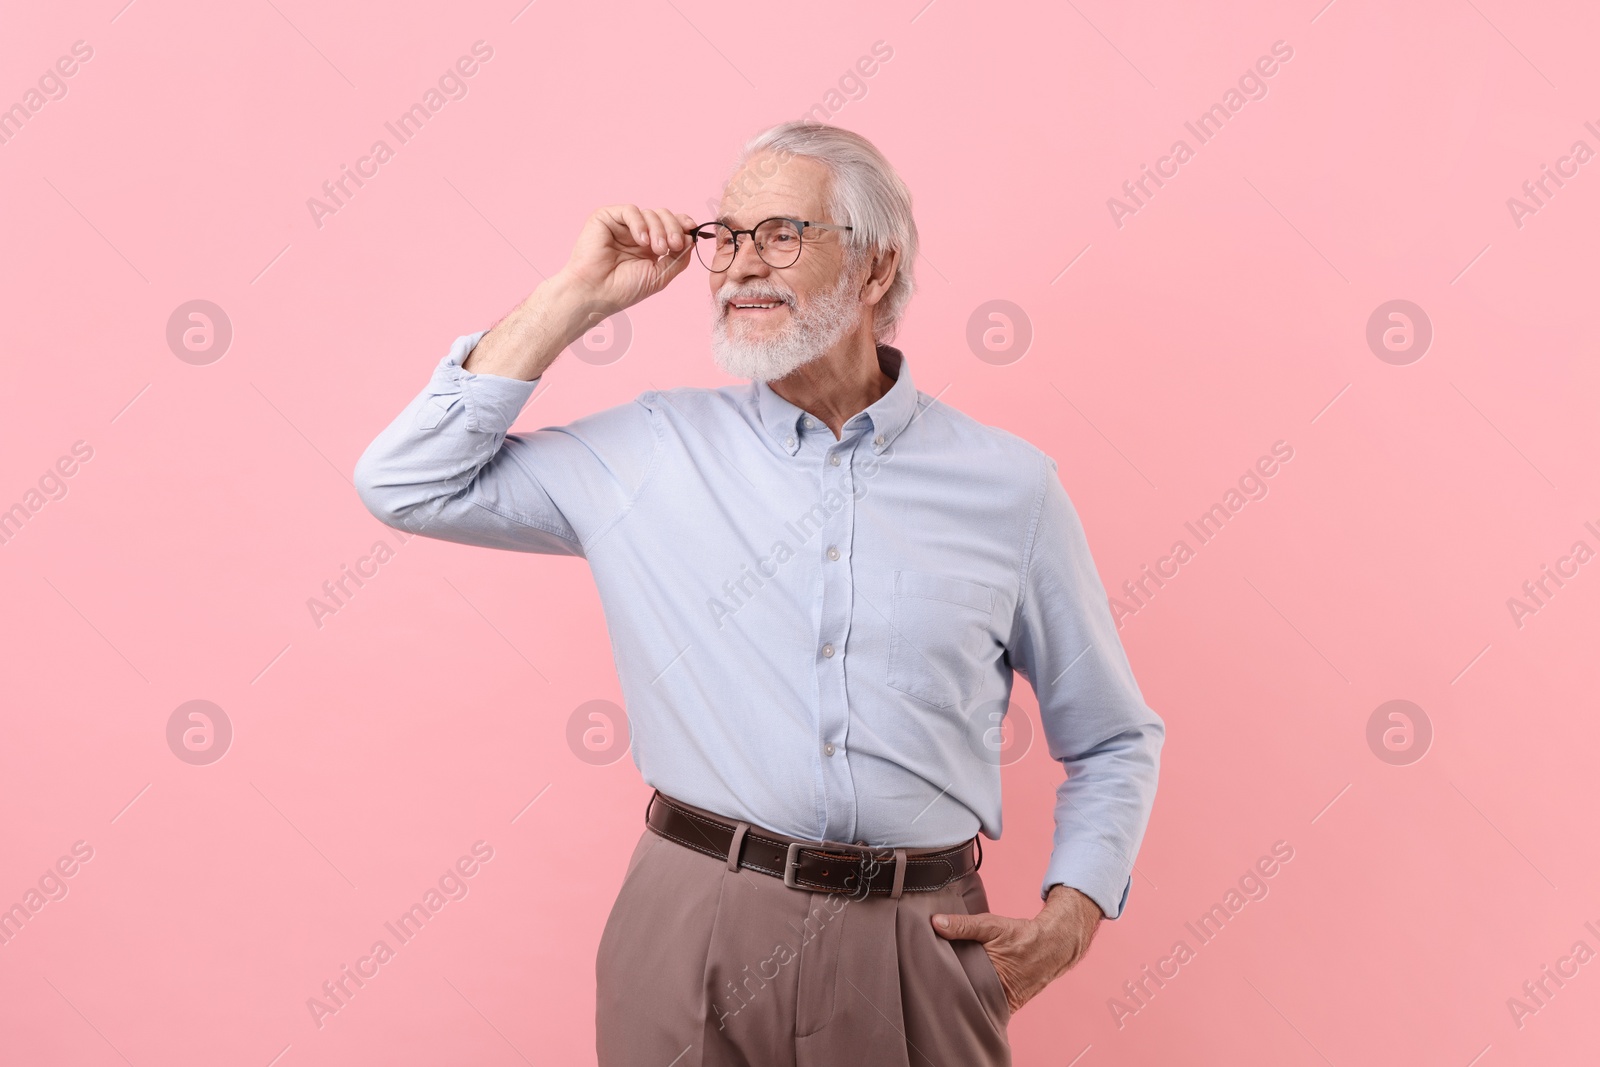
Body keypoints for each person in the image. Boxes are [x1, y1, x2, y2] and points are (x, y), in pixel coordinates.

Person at [354, 120, 1164, 1066]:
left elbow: (1112, 735)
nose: (740, 265)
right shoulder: (649, 449)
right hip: (690, 920)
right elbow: (406, 481)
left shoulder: (1010, 488)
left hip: (915, 946)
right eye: (725, 237)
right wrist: (572, 299)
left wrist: (1074, 914)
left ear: (873, 269)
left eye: (781, 234)